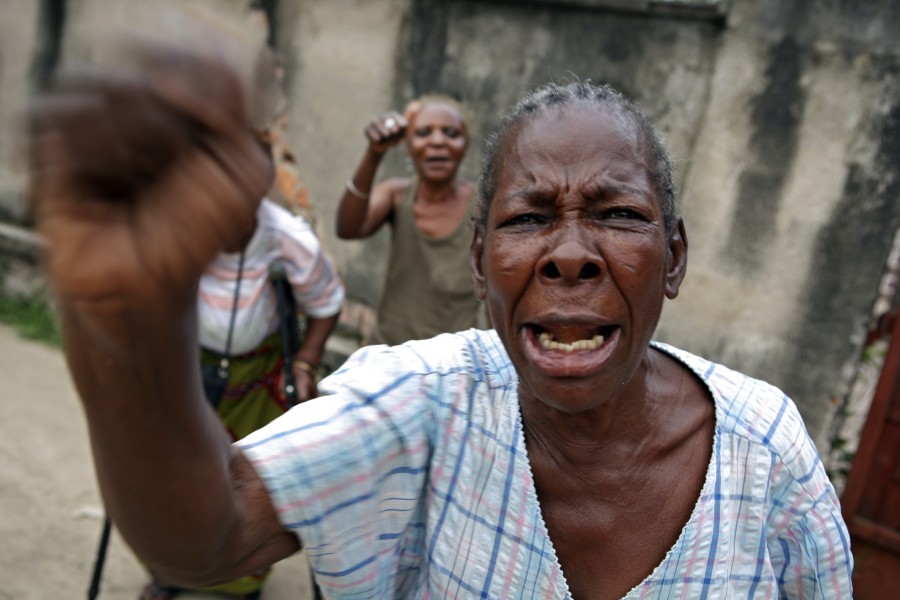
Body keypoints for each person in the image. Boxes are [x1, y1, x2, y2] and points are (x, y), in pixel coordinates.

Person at [30, 37, 852, 599]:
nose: (570, 254)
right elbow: (208, 533)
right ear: (479, 262)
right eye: (529, 219)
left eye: (617, 214)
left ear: (673, 258)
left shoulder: (767, 454)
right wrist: (122, 326)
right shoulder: (422, 398)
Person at [140, 195, 344, 600]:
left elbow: (326, 303)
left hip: (258, 376)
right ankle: (170, 571)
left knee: (248, 479)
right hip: (186, 363)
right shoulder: (174, 223)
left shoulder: (286, 236)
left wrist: (305, 362)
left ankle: (242, 580)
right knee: (174, 475)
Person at [336, 96, 483, 345]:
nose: (437, 142)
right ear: (408, 145)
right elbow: (348, 228)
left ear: (466, 145)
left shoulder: (483, 205)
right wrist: (374, 152)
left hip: (452, 367)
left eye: (450, 133)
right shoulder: (396, 194)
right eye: (423, 133)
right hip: (389, 355)